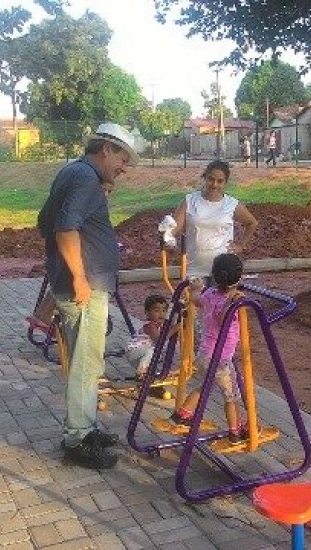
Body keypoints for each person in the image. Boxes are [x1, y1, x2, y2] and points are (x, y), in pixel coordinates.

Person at [37, 122, 136, 469]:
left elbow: (43, 220)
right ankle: (78, 437)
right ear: (106, 148)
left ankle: (87, 426)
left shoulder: (73, 172)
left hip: (83, 283)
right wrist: (79, 276)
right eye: (123, 159)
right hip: (84, 286)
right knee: (84, 362)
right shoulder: (84, 178)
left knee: (90, 360)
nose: (124, 168)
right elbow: (65, 228)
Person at [168, 253, 250, 444]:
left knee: (204, 386)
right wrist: (232, 301)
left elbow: (196, 299)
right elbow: (223, 319)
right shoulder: (228, 300)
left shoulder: (209, 294)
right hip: (220, 359)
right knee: (231, 397)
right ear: (239, 277)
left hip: (205, 354)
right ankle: (235, 431)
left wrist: (195, 288)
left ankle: (182, 414)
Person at [169, 159, 258, 280]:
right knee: (194, 299)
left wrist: (241, 245)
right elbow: (175, 228)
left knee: (221, 299)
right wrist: (167, 234)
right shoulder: (190, 201)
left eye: (220, 181)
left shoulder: (231, 204)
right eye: (211, 179)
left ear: (225, 182)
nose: (214, 184)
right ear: (205, 178)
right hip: (194, 269)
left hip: (224, 271)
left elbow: (252, 223)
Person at [124, 294, 179, 381]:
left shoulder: (160, 324)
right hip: (134, 350)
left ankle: (146, 375)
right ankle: (141, 373)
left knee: (155, 356)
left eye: (164, 310)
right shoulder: (150, 325)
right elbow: (159, 340)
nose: (161, 314)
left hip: (142, 354)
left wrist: (178, 313)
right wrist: (174, 329)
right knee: (153, 351)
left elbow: (172, 322)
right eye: (156, 310)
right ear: (147, 313)